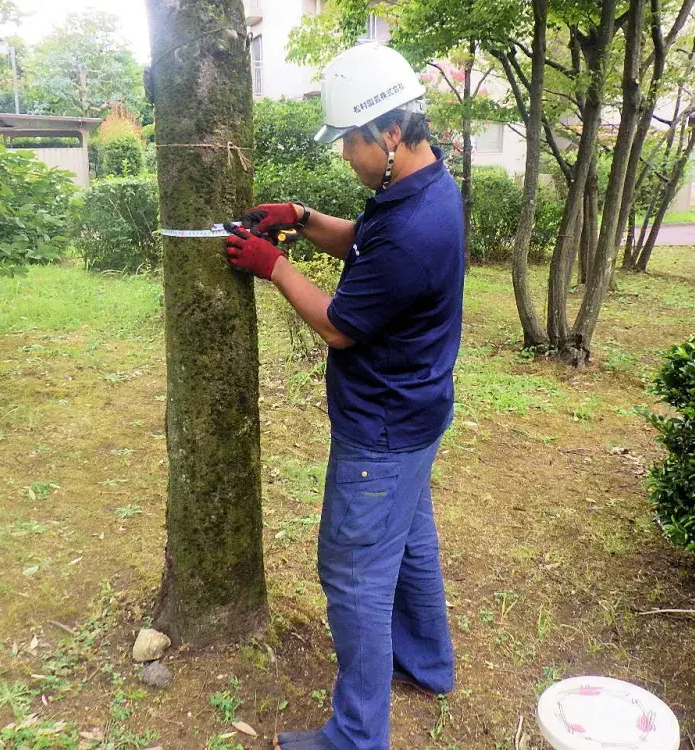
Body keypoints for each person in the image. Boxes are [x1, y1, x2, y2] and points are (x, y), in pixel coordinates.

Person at [225, 43, 464, 750]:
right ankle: (427, 663)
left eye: (350, 144)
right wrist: (301, 217)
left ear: (389, 132)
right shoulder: (421, 189)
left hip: (383, 428)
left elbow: (339, 325)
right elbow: (366, 243)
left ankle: (357, 737)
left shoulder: (415, 227)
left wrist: (273, 266)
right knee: (411, 541)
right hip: (418, 413)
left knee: (353, 570)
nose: (346, 157)